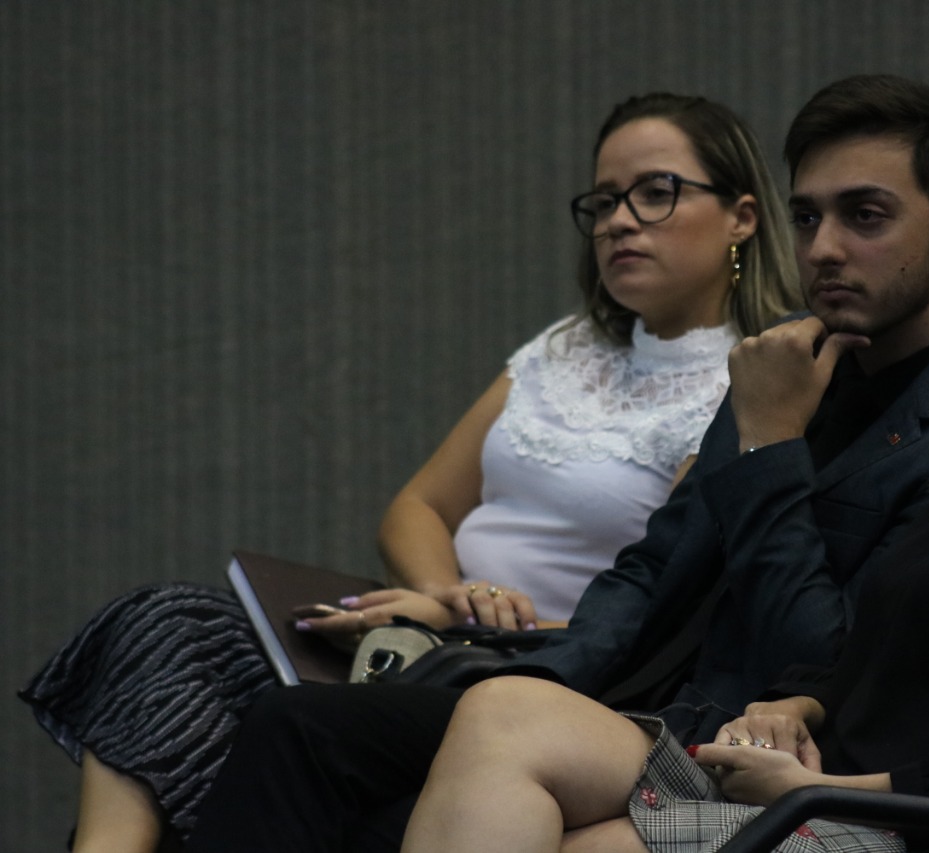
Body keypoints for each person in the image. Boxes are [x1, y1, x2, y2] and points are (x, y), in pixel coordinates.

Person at [183, 74, 929, 852]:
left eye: (865, 216)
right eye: (808, 217)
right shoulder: (787, 358)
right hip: (620, 702)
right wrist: (523, 683)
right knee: (297, 723)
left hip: (746, 746)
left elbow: (821, 656)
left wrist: (770, 444)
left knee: (365, 790)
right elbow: (650, 568)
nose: (824, 247)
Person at [401, 131, 929, 853]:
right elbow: (893, 661)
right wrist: (800, 705)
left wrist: (847, 789)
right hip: (822, 782)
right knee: (502, 709)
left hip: (910, 824)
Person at [19, 91, 801, 853]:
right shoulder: (564, 348)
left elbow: (659, 612)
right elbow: (418, 506)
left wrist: (479, 625)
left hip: (554, 672)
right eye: (603, 201)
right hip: (437, 638)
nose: (620, 220)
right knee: (165, 623)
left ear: (741, 215)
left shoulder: (749, 385)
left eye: (656, 193)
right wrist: (443, 594)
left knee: (289, 728)